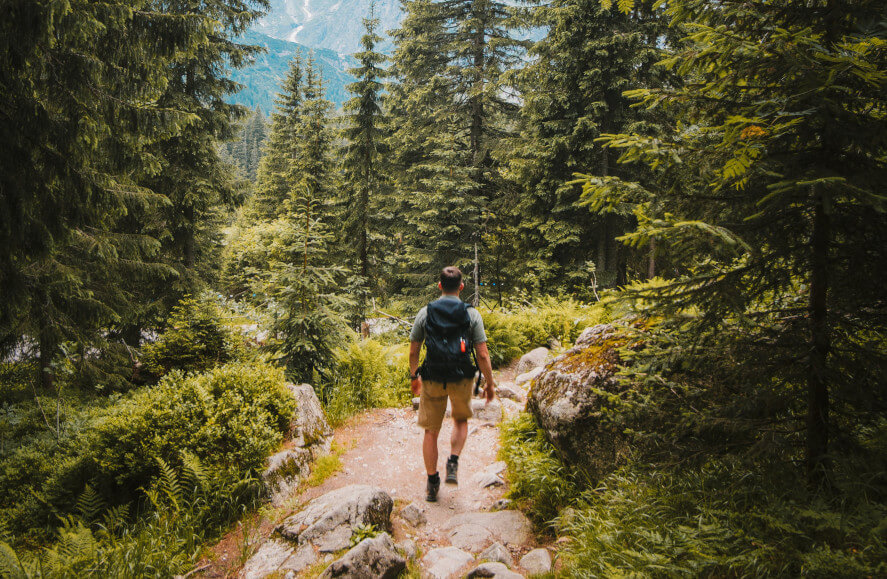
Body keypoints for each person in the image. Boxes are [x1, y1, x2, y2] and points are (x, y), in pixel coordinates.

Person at [409, 266, 496, 502]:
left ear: (439, 286)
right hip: (460, 376)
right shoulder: (472, 314)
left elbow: (414, 349)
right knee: (460, 420)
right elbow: (483, 354)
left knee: (431, 431)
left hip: (433, 376)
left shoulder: (425, 313)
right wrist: (490, 384)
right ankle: (454, 461)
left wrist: (414, 376)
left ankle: (432, 481)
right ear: (461, 287)